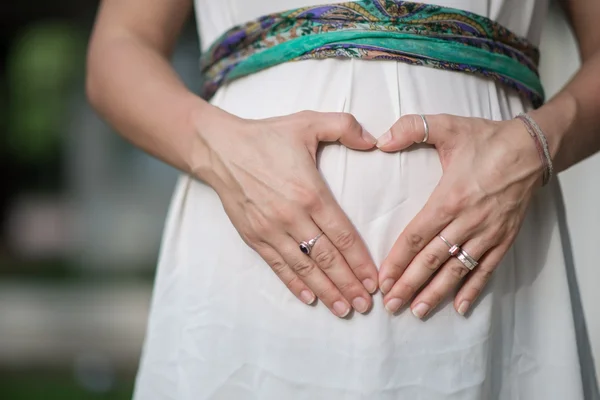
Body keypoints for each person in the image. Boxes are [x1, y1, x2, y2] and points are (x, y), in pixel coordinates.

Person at [87, 0, 600, 398]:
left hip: (497, 257)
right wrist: (219, 150)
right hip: (250, 244)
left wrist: (536, 144)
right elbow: (119, 49)